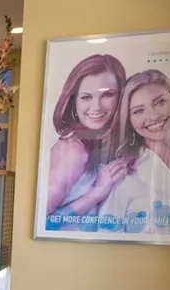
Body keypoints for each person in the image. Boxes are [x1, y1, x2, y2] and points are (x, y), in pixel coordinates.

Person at [98, 69, 170, 236]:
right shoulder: (121, 175)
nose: (153, 116)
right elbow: (105, 241)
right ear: (129, 121)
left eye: (160, 102)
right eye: (138, 111)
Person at [45, 54, 129, 231]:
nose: (96, 107)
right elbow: (43, 222)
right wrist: (96, 194)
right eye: (86, 97)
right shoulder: (73, 151)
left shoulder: (106, 144)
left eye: (107, 95)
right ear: (73, 101)